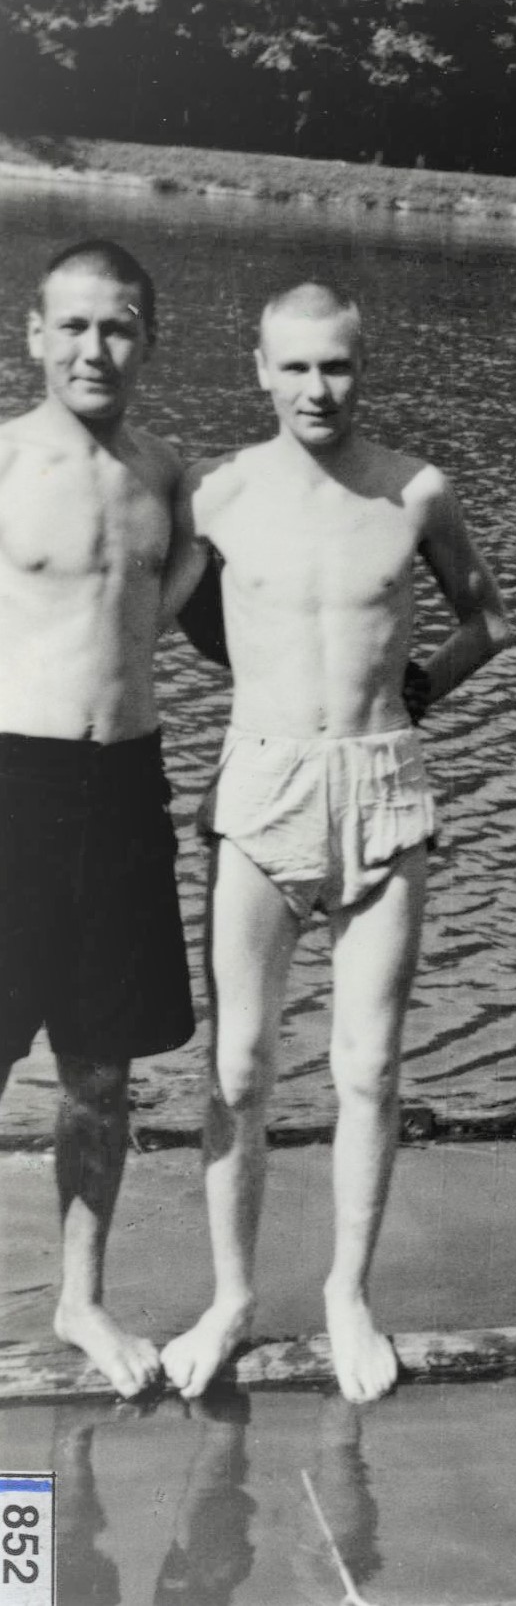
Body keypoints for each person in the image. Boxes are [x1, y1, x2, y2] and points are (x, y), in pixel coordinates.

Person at [159, 282, 510, 1404]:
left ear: (363, 367)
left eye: (337, 366)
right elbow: (165, 612)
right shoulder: (214, 491)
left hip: (383, 785)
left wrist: (419, 689)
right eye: (296, 366)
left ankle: (347, 1293)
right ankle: (230, 1296)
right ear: (260, 369)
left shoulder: (415, 489)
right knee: (239, 1064)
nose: (317, 388)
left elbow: (486, 619)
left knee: (368, 1067)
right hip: (262, 783)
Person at [0, 239, 196, 1399]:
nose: (93, 348)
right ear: (33, 333)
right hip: (9, 780)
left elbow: (201, 594)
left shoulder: (167, 471)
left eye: (117, 326)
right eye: (71, 325)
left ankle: (80, 1297)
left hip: (123, 784)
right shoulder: (1, 458)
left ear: (148, 339)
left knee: (100, 1071)